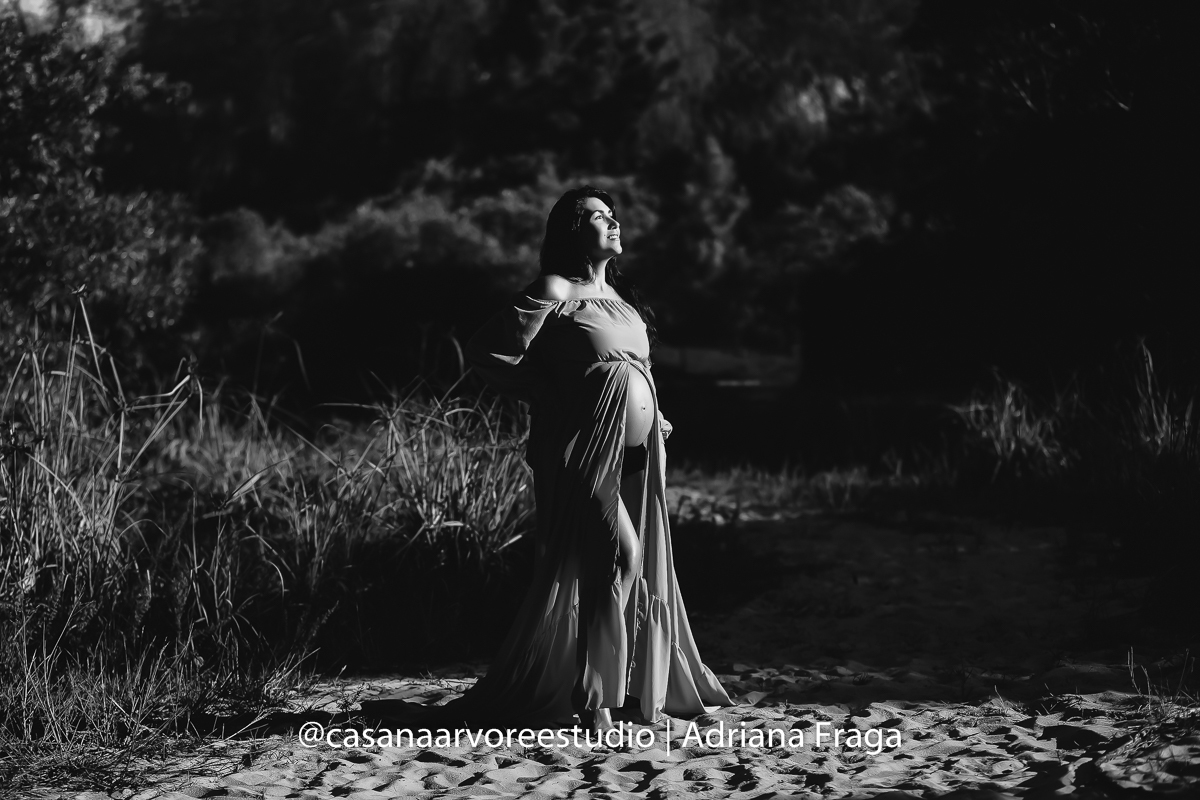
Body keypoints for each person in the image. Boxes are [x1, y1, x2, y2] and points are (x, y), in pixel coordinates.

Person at [364, 187, 731, 733]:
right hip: (583, 445)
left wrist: (655, 414)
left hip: (637, 452)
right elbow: (488, 352)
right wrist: (546, 391)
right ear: (572, 232)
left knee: (623, 562)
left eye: (612, 214)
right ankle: (594, 699)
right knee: (622, 556)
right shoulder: (557, 289)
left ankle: (618, 687)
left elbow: (635, 368)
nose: (613, 222)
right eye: (598, 216)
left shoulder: (622, 300)